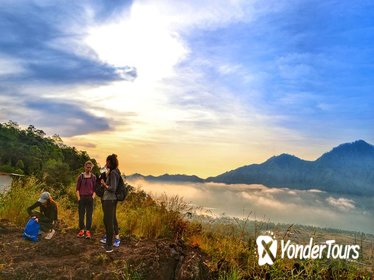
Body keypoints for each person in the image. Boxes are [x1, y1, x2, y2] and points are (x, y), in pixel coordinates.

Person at [100, 154, 121, 252]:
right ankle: (109, 242)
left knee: (109, 222)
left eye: (107, 161)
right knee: (107, 220)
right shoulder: (113, 172)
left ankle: (109, 246)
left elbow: (113, 188)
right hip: (108, 199)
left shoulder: (113, 173)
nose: (106, 163)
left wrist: (104, 184)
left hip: (110, 200)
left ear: (110, 162)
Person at [76, 160, 96, 239]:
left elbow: (95, 189)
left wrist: (92, 197)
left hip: (90, 198)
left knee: (89, 215)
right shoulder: (80, 176)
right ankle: (81, 230)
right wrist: (79, 198)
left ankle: (87, 231)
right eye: (87, 167)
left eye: (90, 167)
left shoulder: (93, 177)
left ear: (91, 168)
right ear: (84, 167)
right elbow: (77, 189)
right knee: (81, 215)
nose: (88, 169)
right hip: (82, 197)